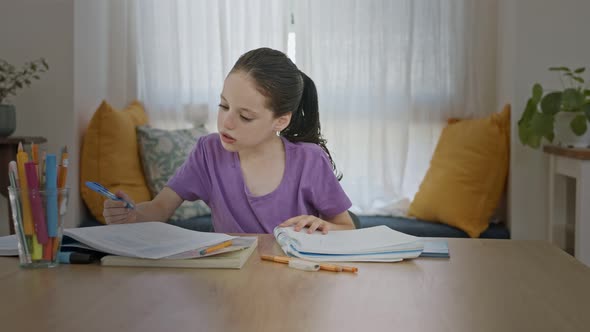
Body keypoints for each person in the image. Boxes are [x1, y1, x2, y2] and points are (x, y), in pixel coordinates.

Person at [103, 47, 354, 234]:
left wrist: (325, 227)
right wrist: (131, 215)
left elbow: (348, 228)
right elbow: (159, 209)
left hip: (296, 283)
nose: (226, 122)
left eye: (245, 116)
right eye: (223, 105)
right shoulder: (208, 152)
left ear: (280, 121)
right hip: (230, 287)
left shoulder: (309, 160)